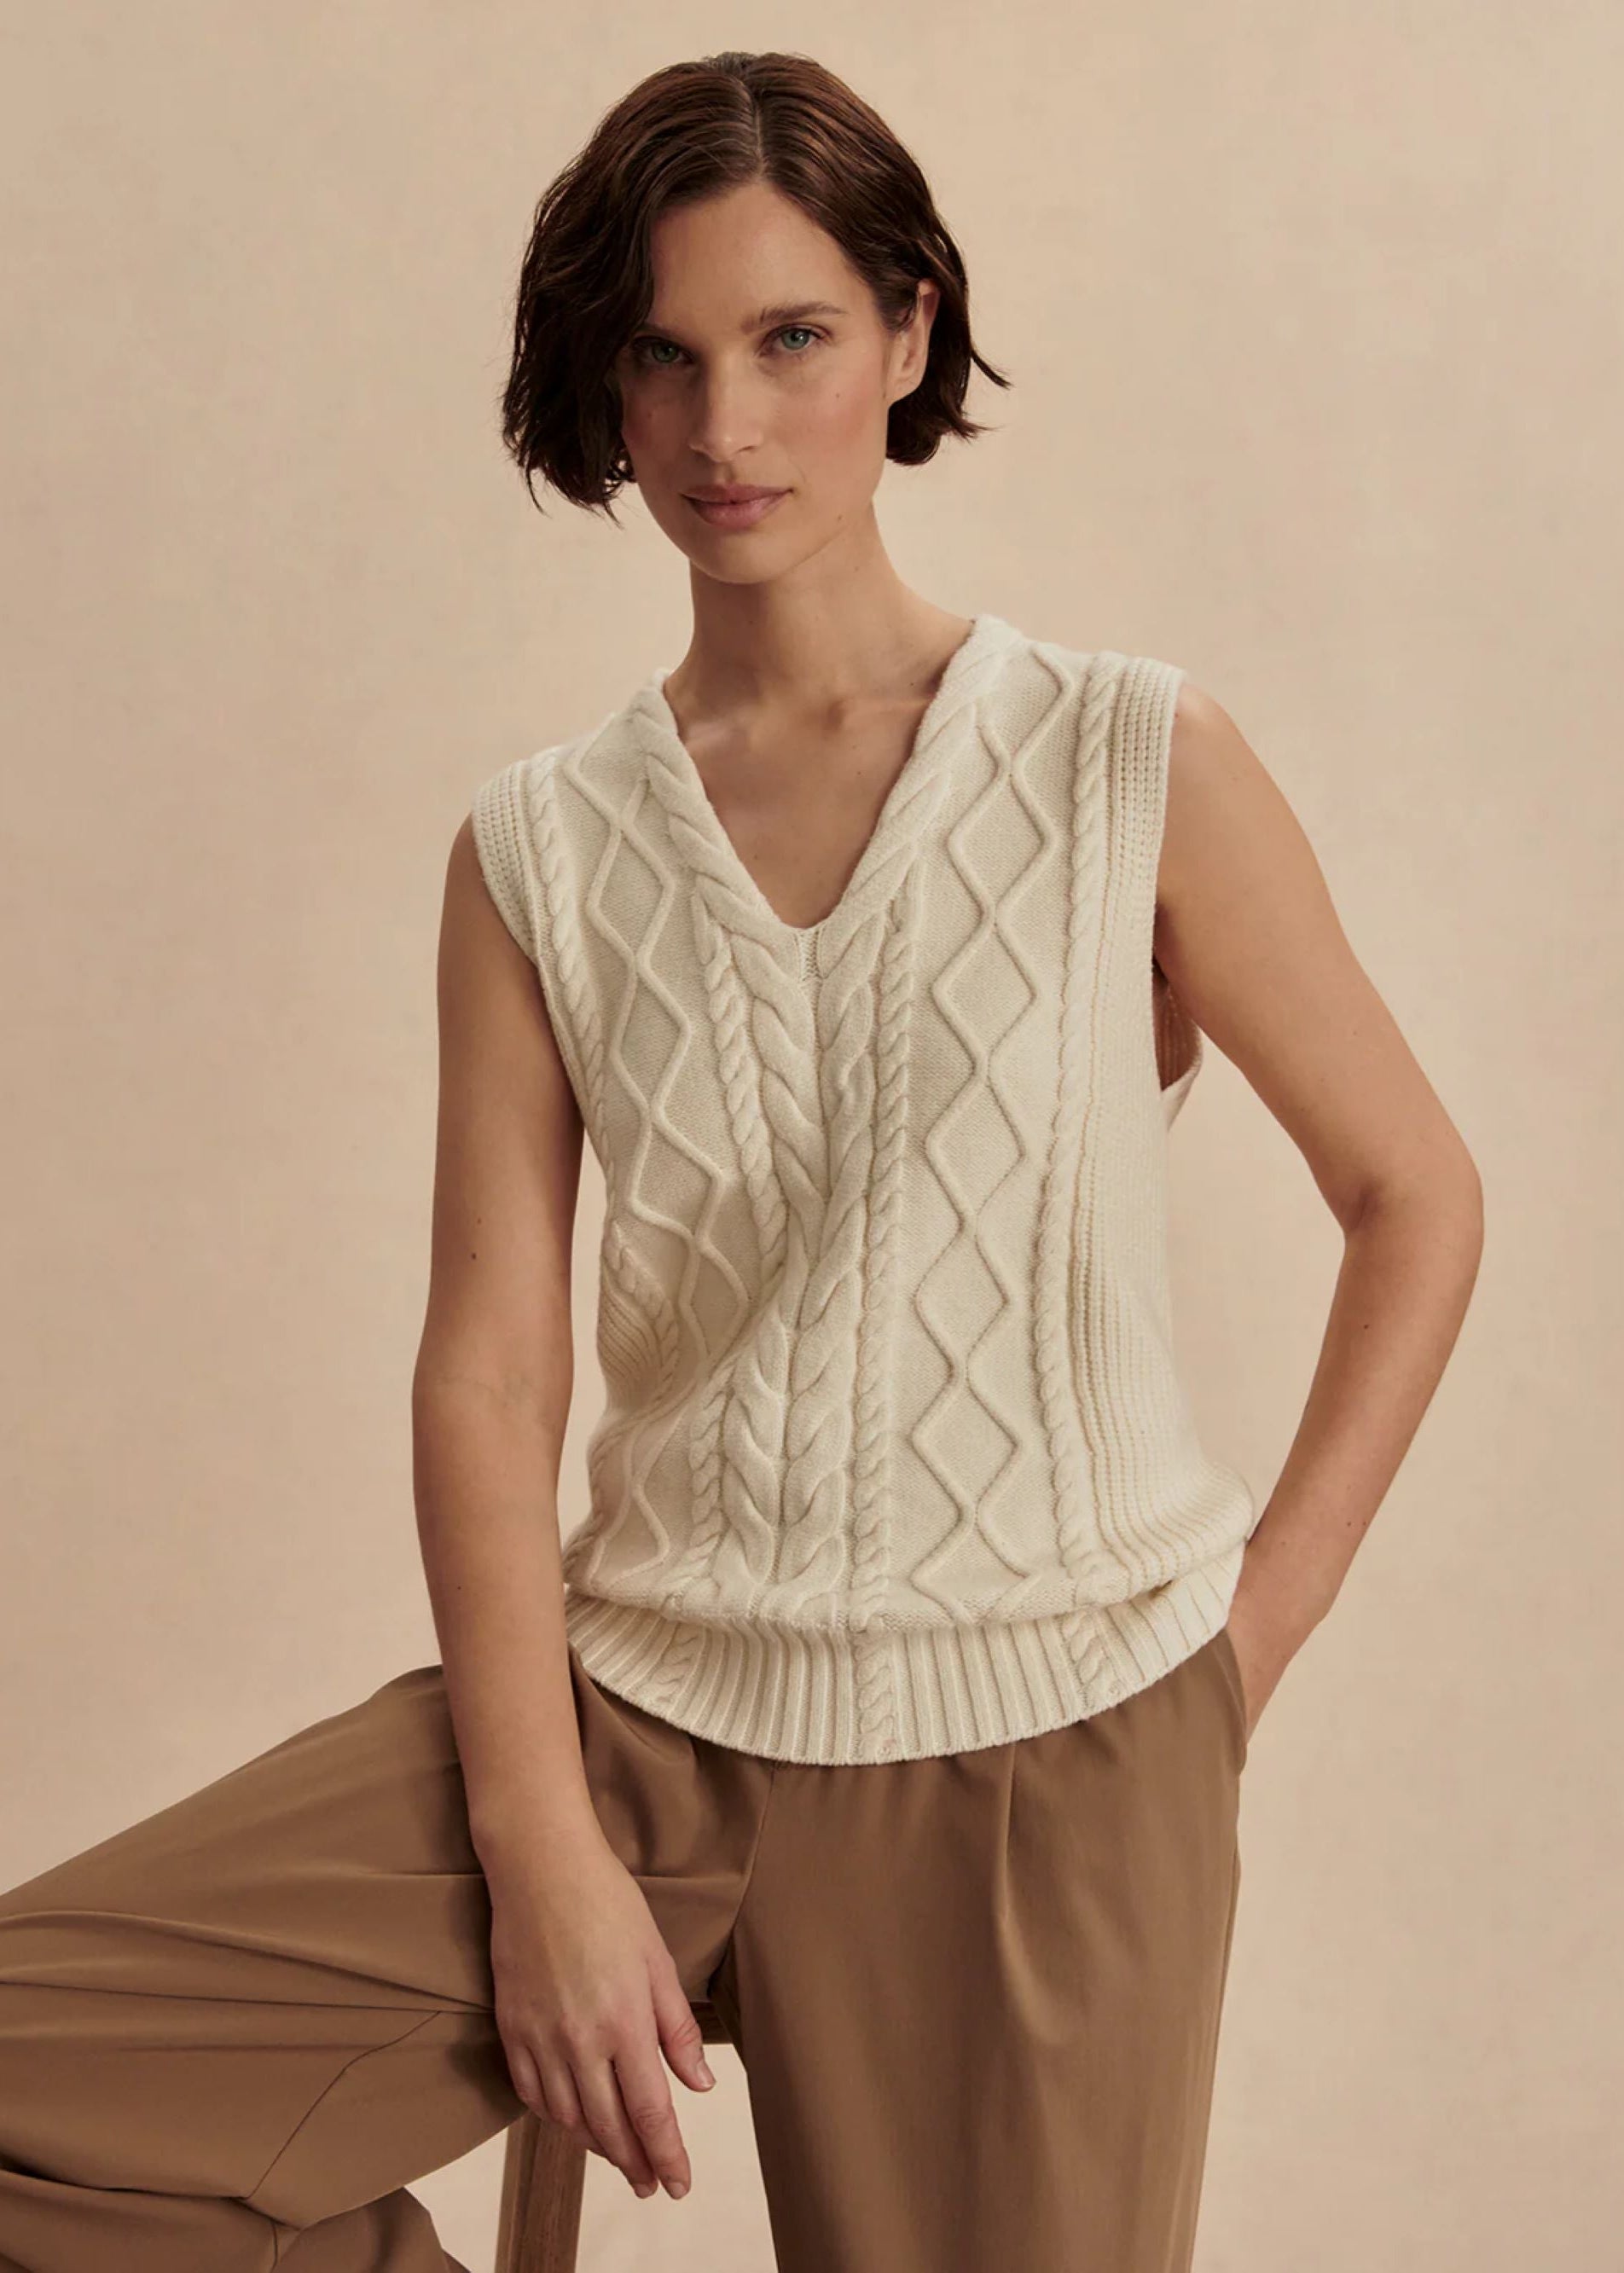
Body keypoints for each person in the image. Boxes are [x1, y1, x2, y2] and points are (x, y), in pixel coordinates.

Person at [0, 46, 1484, 2273]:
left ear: (906, 331)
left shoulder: (1122, 759)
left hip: (1051, 1757)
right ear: (604, 390)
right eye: (664, 356)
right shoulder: (540, 850)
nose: (727, 425)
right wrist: (541, 1849)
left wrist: (1232, 1662)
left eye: (791, 336)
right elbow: (492, 1373)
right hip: (634, 1726)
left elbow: (1417, 1195)